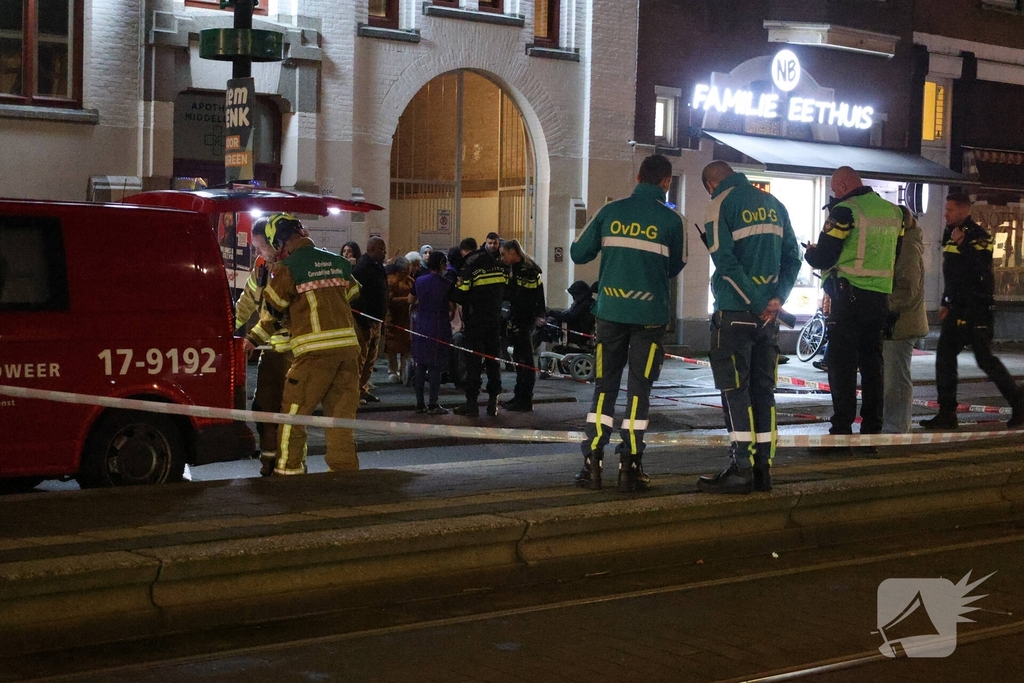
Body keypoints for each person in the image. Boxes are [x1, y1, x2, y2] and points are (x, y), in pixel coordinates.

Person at [570, 154, 685, 492]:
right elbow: (675, 266)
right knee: (639, 392)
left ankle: (592, 464)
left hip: (610, 314)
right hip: (649, 318)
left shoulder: (610, 212)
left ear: (638, 176)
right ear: (666, 181)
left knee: (603, 389)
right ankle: (630, 467)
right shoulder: (672, 220)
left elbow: (578, 254)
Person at [695, 161, 802, 494]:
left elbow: (725, 264)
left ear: (711, 184)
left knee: (734, 393)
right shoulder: (774, 205)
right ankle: (763, 470)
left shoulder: (719, 205)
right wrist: (776, 299)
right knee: (763, 393)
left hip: (735, 315)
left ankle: (741, 467)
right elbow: (794, 257)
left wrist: (756, 303)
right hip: (768, 321)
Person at [243, 213, 362, 474]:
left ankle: (289, 474)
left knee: (292, 417)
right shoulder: (338, 262)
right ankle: (345, 476)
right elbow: (353, 293)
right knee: (340, 421)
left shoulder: (287, 268)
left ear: (278, 242)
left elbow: (272, 314)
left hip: (313, 355)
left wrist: (251, 339)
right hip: (348, 353)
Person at [804, 166, 903, 452]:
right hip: (879, 299)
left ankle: (841, 433)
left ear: (845, 184)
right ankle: (871, 434)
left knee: (841, 365)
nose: (835, 194)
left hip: (848, 299)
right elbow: (895, 253)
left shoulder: (845, 212)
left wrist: (810, 252)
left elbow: (824, 257)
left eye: (836, 188)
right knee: (873, 366)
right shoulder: (894, 213)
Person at [922, 191, 1024, 429]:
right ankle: (947, 413)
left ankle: (1019, 404)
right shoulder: (950, 233)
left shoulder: (979, 236)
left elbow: (980, 268)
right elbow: (953, 273)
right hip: (957, 308)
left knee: (985, 360)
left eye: (949, 210)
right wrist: (946, 302)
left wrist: (962, 243)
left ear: (964, 210)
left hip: (977, 309)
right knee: (945, 359)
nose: (945, 214)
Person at [235, 227, 298, 476]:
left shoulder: (292, 269)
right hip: (272, 350)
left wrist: (252, 337)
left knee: (288, 413)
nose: (258, 252)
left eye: (262, 246)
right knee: (263, 408)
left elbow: (278, 314)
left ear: (276, 243)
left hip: (294, 350)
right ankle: (269, 462)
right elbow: (246, 303)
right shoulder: (261, 269)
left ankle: (287, 465)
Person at [881, 206, 929, 434]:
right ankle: (892, 425)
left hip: (900, 323)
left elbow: (907, 288)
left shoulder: (908, 246)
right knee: (892, 377)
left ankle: (896, 428)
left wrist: (883, 306)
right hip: (898, 322)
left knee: (896, 379)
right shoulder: (904, 243)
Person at [450, 236, 506, 417]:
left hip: (475, 322)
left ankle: (472, 404)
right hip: (495, 320)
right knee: (493, 361)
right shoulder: (499, 266)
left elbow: (460, 295)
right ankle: (493, 403)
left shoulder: (470, 268)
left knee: (473, 363)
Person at [499, 239, 546, 412]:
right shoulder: (517, 269)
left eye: (504, 254)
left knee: (525, 361)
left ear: (513, 252)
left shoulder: (527, 271)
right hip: (517, 319)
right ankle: (519, 396)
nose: (502, 258)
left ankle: (525, 400)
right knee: (519, 359)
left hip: (523, 321)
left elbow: (525, 298)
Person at [411, 250, 453, 414]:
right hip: (438, 325)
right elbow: (451, 306)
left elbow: (410, 300)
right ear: (442, 265)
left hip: (421, 325)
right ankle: (433, 403)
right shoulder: (445, 284)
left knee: (420, 365)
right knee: (435, 367)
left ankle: (419, 404)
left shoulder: (419, 281)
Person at [352, 236, 389, 403]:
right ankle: (354, 392)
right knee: (360, 358)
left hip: (376, 320)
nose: (384, 253)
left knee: (371, 359)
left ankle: (362, 388)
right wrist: (364, 321)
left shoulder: (378, 267)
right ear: (371, 249)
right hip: (364, 321)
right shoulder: (362, 268)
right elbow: (357, 298)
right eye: (381, 249)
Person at [384, 257, 415, 384]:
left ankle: (404, 371)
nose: (409, 271)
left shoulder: (410, 281)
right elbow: (389, 301)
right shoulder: (391, 281)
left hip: (406, 318)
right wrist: (406, 300)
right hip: (393, 318)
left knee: (406, 347)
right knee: (392, 347)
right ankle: (393, 370)